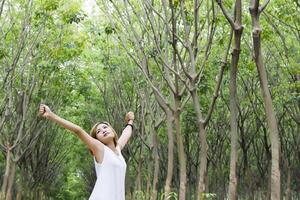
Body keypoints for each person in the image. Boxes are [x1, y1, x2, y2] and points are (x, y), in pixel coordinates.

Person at [39, 104, 134, 200]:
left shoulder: (117, 150)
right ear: (97, 139)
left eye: (105, 127)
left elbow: (126, 133)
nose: (103, 130)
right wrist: (51, 115)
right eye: (98, 131)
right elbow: (78, 130)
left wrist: (130, 121)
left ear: (112, 131)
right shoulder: (100, 149)